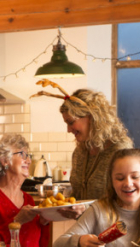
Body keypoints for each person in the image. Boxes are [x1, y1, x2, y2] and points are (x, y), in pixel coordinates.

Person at [33, 81, 133, 219]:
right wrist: (61, 206)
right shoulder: (79, 153)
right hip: (88, 232)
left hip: (115, 231)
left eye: (71, 122)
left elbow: (127, 202)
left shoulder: (120, 152)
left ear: (92, 117)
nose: (68, 130)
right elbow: (79, 197)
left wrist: (86, 209)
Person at [0, 134, 50, 247]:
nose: (28, 161)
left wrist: (44, 223)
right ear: (5, 161)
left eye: (28, 156)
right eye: (22, 154)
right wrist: (16, 221)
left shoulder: (28, 199)